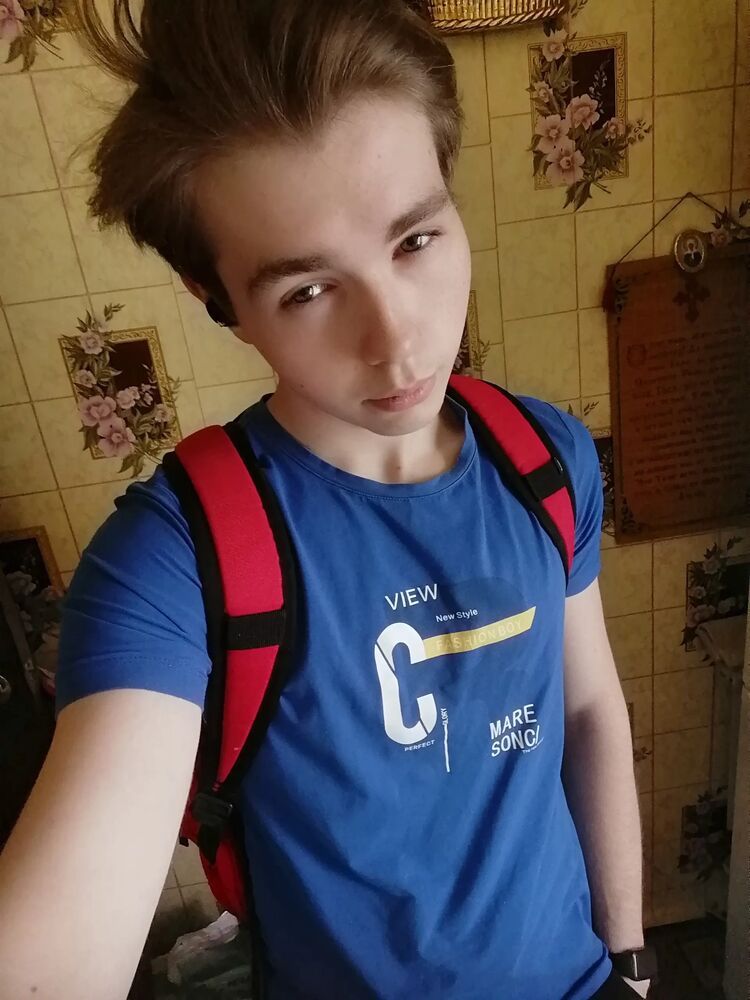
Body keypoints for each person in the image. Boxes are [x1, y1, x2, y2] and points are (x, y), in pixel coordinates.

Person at [0, 2, 650, 997]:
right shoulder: (177, 560)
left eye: (416, 240)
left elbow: (590, 706)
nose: (397, 340)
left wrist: (629, 956)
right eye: (307, 291)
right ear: (217, 297)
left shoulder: (546, 459)